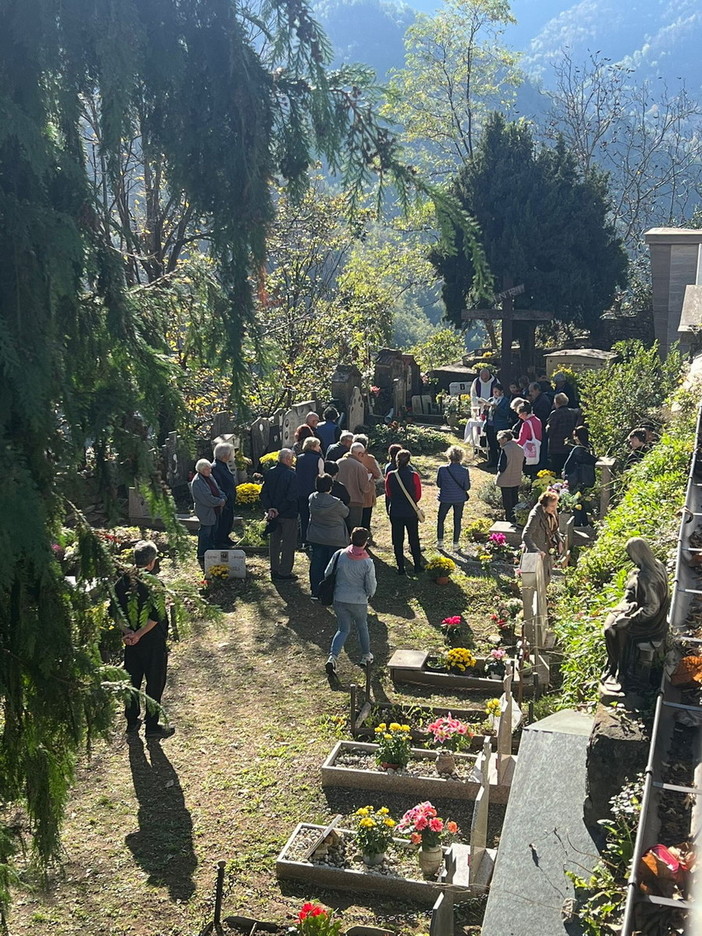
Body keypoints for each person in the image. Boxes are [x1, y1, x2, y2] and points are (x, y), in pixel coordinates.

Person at [112, 540, 174, 739]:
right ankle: (153, 726)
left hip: (131, 642)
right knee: (155, 681)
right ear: (151, 562)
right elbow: (156, 616)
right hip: (152, 641)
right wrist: (138, 634)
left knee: (132, 680)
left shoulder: (121, 582)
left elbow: (115, 612)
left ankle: (131, 721)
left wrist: (128, 633)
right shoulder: (153, 584)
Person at [601, 537, 669, 692]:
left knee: (612, 630)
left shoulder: (647, 577)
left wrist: (630, 620)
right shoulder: (657, 564)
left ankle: (619, 670)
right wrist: (629, 605)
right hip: (641, 611)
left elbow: (652, 607)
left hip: (650, 623)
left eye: (631, 554)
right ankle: (613, 664)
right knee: (610, 624)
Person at [325, 527, 377, 676]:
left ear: (350, 538)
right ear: (366, 542)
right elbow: (371, 585)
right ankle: (366, 656)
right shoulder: (367, 562)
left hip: (339, 598)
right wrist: (369, 595)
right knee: (362, 627)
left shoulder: (339, 554)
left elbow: (327, 573)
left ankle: (332, 657)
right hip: (358, 600)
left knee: (343, 629)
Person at [307, 474, 349, 598]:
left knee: (317, 564)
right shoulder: (336, 502)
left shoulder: (312, 498)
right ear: (330, 487)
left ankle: (315, 591)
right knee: (333, 566)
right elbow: (346, 513)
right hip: (334, 538)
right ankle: (331, 592)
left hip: (316, 536)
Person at [260, 448, 299, 581]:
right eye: (292, 458)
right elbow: (291, 496)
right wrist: (278, 510)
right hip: (288, 514)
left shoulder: (270, 472)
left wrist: (270, 508)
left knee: (274, 541)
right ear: (287, 459)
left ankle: (274, 568)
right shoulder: (292, 475)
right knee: (288, 543)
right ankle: (285, 572)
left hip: (273, 514)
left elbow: (264, 493)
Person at [385, 448, 424, 575]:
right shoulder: (414, 476)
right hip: (410, 511)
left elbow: (389, 493)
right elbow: (418, 495)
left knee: (397, 539)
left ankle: (400, 567)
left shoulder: (391, 475)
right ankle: (417, 565)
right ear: (409, 461)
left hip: (395, 510)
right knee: (413, 538)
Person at [190, 459, 226, 566]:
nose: (210, 470)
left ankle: (211, 552)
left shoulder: (209, 477)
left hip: (215, 510)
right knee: (206, 532)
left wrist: (223, 497)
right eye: (207, 469)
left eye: (210, 468)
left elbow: (218, 489)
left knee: (213, 531)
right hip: (206, 511)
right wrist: (220, 502)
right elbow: (207, 498)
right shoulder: (197, 482)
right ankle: (202, 553)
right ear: (200, 470)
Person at [522, 490, 561, 585]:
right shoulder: (535, 515)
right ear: (544, 505)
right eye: (552, 506)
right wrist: (536, 551)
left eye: (556, 505)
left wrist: (560, 541)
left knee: (545, 580)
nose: (554, 508)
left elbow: (555, 529)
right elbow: (526, 535)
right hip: (536, 554)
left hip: (546, 552)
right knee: (533, 583)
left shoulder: (552, 511)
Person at [436, 446, 470, 550]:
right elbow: (467, 487)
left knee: (441, 519)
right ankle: (455, 543)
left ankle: (440, 542)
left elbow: (439, 484)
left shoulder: (442, 469)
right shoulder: (464, 471)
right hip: (459, 499)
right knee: (457, 520)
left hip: (445, 497)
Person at [563, 425, 598, 526]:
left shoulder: (577, 449)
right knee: (581, 501)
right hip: (587, 479)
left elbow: (568, 464)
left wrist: (565, 476)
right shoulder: (589, 448)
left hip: (576, 479)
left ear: (577, 437)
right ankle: (584, 522)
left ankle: (577, 523)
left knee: (575, 501)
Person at [295, 436, 325, 547]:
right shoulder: (318, 459)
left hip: (301, 490)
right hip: (313, 491)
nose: (319, 448)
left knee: (303, 516)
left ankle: (304, 540)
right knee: (314, 516)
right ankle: (313, 540)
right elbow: (321, 475)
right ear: (312, 447)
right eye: (318, 445)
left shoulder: (299, 458)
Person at [337, 441, 373, 530]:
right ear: (360, 453)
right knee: (354, 529)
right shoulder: (360, 467)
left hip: (339, 501)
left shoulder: (338, 462)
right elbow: (365, 488)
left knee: (341, 528)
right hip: (355, 503)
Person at [353, 433, 383, 533]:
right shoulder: (370, 458)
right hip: (366, 492)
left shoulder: (346, 457)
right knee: (366, 516)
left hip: (352, 492)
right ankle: (364, 536)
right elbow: (379, 475)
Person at [545, 393, 581, 474]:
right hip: (569, 445)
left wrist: (547, 427)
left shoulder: (555, 414)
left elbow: (550, 430)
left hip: (556, 446)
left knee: (556, 469)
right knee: (567, 469)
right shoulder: (572, 413)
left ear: (556, 403)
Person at [496, 429, 525, 525]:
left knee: (507, 500)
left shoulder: (505, 449)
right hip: (516, 476)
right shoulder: (520, 448)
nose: (499, 441)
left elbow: (501, 466)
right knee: (514, 497)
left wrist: (499, 471)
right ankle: (516, 516)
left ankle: (509, 518)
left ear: (505, 439)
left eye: (500, 439)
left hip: (506, 477)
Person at [211, 442, 237, 548]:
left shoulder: (223, 465)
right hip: (223, 500)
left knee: (228, 520)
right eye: (231, 453)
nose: (232, 455)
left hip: (229, 499)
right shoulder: (215, 467)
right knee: (222, 521)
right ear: (225, 455)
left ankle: (225, 538)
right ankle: (220, 541)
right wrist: (224, 497)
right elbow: (218, 485)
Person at [484, 384, 513, 467]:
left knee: (500, 444)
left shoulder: (505, 401)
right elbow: (486, 414)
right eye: (493, 392)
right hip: (490, 424)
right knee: (491, 444)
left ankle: (501, 462)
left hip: (500, 425)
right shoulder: (490, 399)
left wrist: (497, 408)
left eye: (496, 391)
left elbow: (505, 414)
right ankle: (493, 460)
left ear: (501, 391)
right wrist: (485, 409)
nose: (495, 393)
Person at [516, 402, 543, 479]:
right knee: (533, 472)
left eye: (520, 414)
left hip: (526, 454)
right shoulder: (538, 420)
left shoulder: (526, 424)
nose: (519, 416)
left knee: (525, 473)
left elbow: (521, 441)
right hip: (536, 449)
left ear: (525, 413)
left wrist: (512, 441)